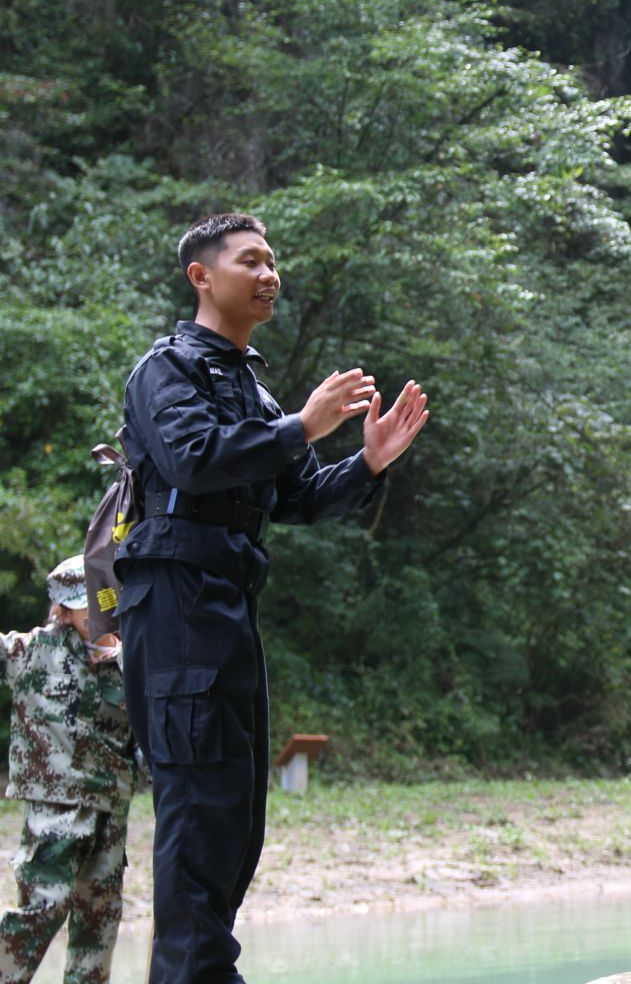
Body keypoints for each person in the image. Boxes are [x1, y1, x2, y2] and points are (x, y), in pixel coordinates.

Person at [116, 213, 430, 982]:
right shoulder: (168, 370)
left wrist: (367, 463)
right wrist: (301, 425)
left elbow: (298, 498)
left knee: (234, 815)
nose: (269, 274)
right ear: (202, 276)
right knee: (196, 814)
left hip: (227, 608)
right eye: (250, 260)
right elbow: (193, 460)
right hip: (176, 603)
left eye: (272, 261)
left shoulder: (250, 383)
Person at [0, 555, 138, 984]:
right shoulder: (33, 650)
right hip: (55, 802)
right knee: (45, 905)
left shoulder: (129, 660)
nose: (93, 615)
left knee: (99, 915)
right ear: (62, 607)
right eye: (83, 606)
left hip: (109, 805)